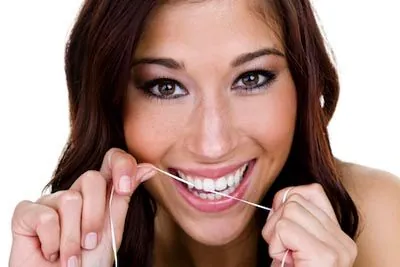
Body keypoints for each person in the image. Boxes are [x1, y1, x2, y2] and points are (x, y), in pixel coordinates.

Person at [9, 0, 400, 266]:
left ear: (303, 82)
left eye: (252, 78)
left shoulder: (382, 222)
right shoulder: (65, 249)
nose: (213, 145)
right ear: (111, 102)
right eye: (165, 87)